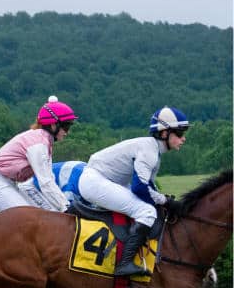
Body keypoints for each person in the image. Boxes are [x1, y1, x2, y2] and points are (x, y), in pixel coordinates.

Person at [76, 106, 189, 277]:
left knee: (150, 206)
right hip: (96, 181)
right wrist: (166, 201)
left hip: (99, 180)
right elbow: (140, 188)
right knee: (147, 211)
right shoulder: (149, 150)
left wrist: (164, 199)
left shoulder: (152, 149)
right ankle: (125, 263)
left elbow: (149, 186)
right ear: (164, 133)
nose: (183, 139)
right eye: (180, 134)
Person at [0, 97, 77, 212]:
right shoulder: (38, 144)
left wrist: (63, 207)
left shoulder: (43, 140)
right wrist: (66, 208)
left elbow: (48, 179)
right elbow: (45, 182)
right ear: (53, 125)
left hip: (8, 182)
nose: (67, 132)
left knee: (50, 216)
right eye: (66, 126)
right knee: (31, 219)